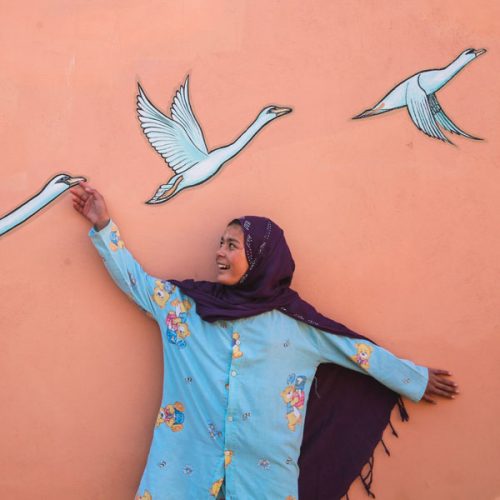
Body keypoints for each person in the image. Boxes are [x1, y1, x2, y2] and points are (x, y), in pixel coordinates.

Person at [71, 182, 458, 500]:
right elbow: (135, 280)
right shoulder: (183, 308)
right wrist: (104, 226)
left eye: (232, 245)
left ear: (260, 257)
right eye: (220, 243)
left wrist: (415, 379)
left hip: (265, 481)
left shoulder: (296, 325)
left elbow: (359, 353)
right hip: (183, 472)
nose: (219, 253)